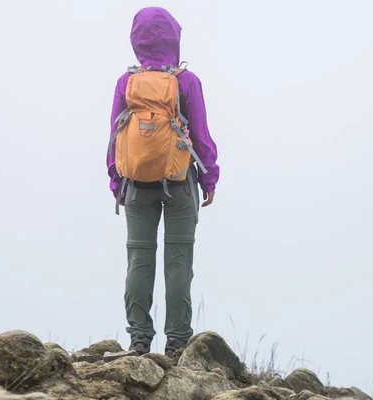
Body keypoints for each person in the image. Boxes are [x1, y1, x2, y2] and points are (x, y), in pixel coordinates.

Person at [106, 6, 220, 357]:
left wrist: (116, 181)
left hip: (136, 184)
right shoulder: (186, 81)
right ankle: (178, 343)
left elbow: (114, 134)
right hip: (180, 182)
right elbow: (200, 135)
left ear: (136, 40)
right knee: (178, 260)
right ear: (174, 38)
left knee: (139, 258)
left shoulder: (127, 82)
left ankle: (139, 339)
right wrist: (210, 177)